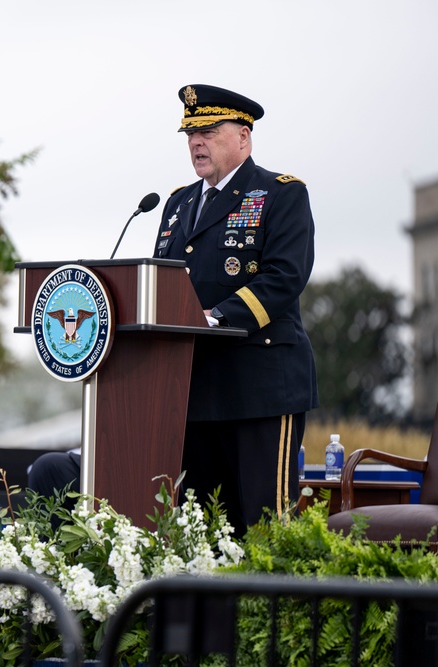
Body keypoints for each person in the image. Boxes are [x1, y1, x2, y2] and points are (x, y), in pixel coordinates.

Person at [152, 83, 318, 533]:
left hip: (259, 388)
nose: (196, 142)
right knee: (202, 533)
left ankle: (274, 607)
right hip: (194, 394)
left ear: (243, 137)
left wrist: (216, 317)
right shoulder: (177, 204)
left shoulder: (280, 194)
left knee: (266, 528)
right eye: (190, 133)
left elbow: (283, 277)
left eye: (208, 130)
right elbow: (162, 284)